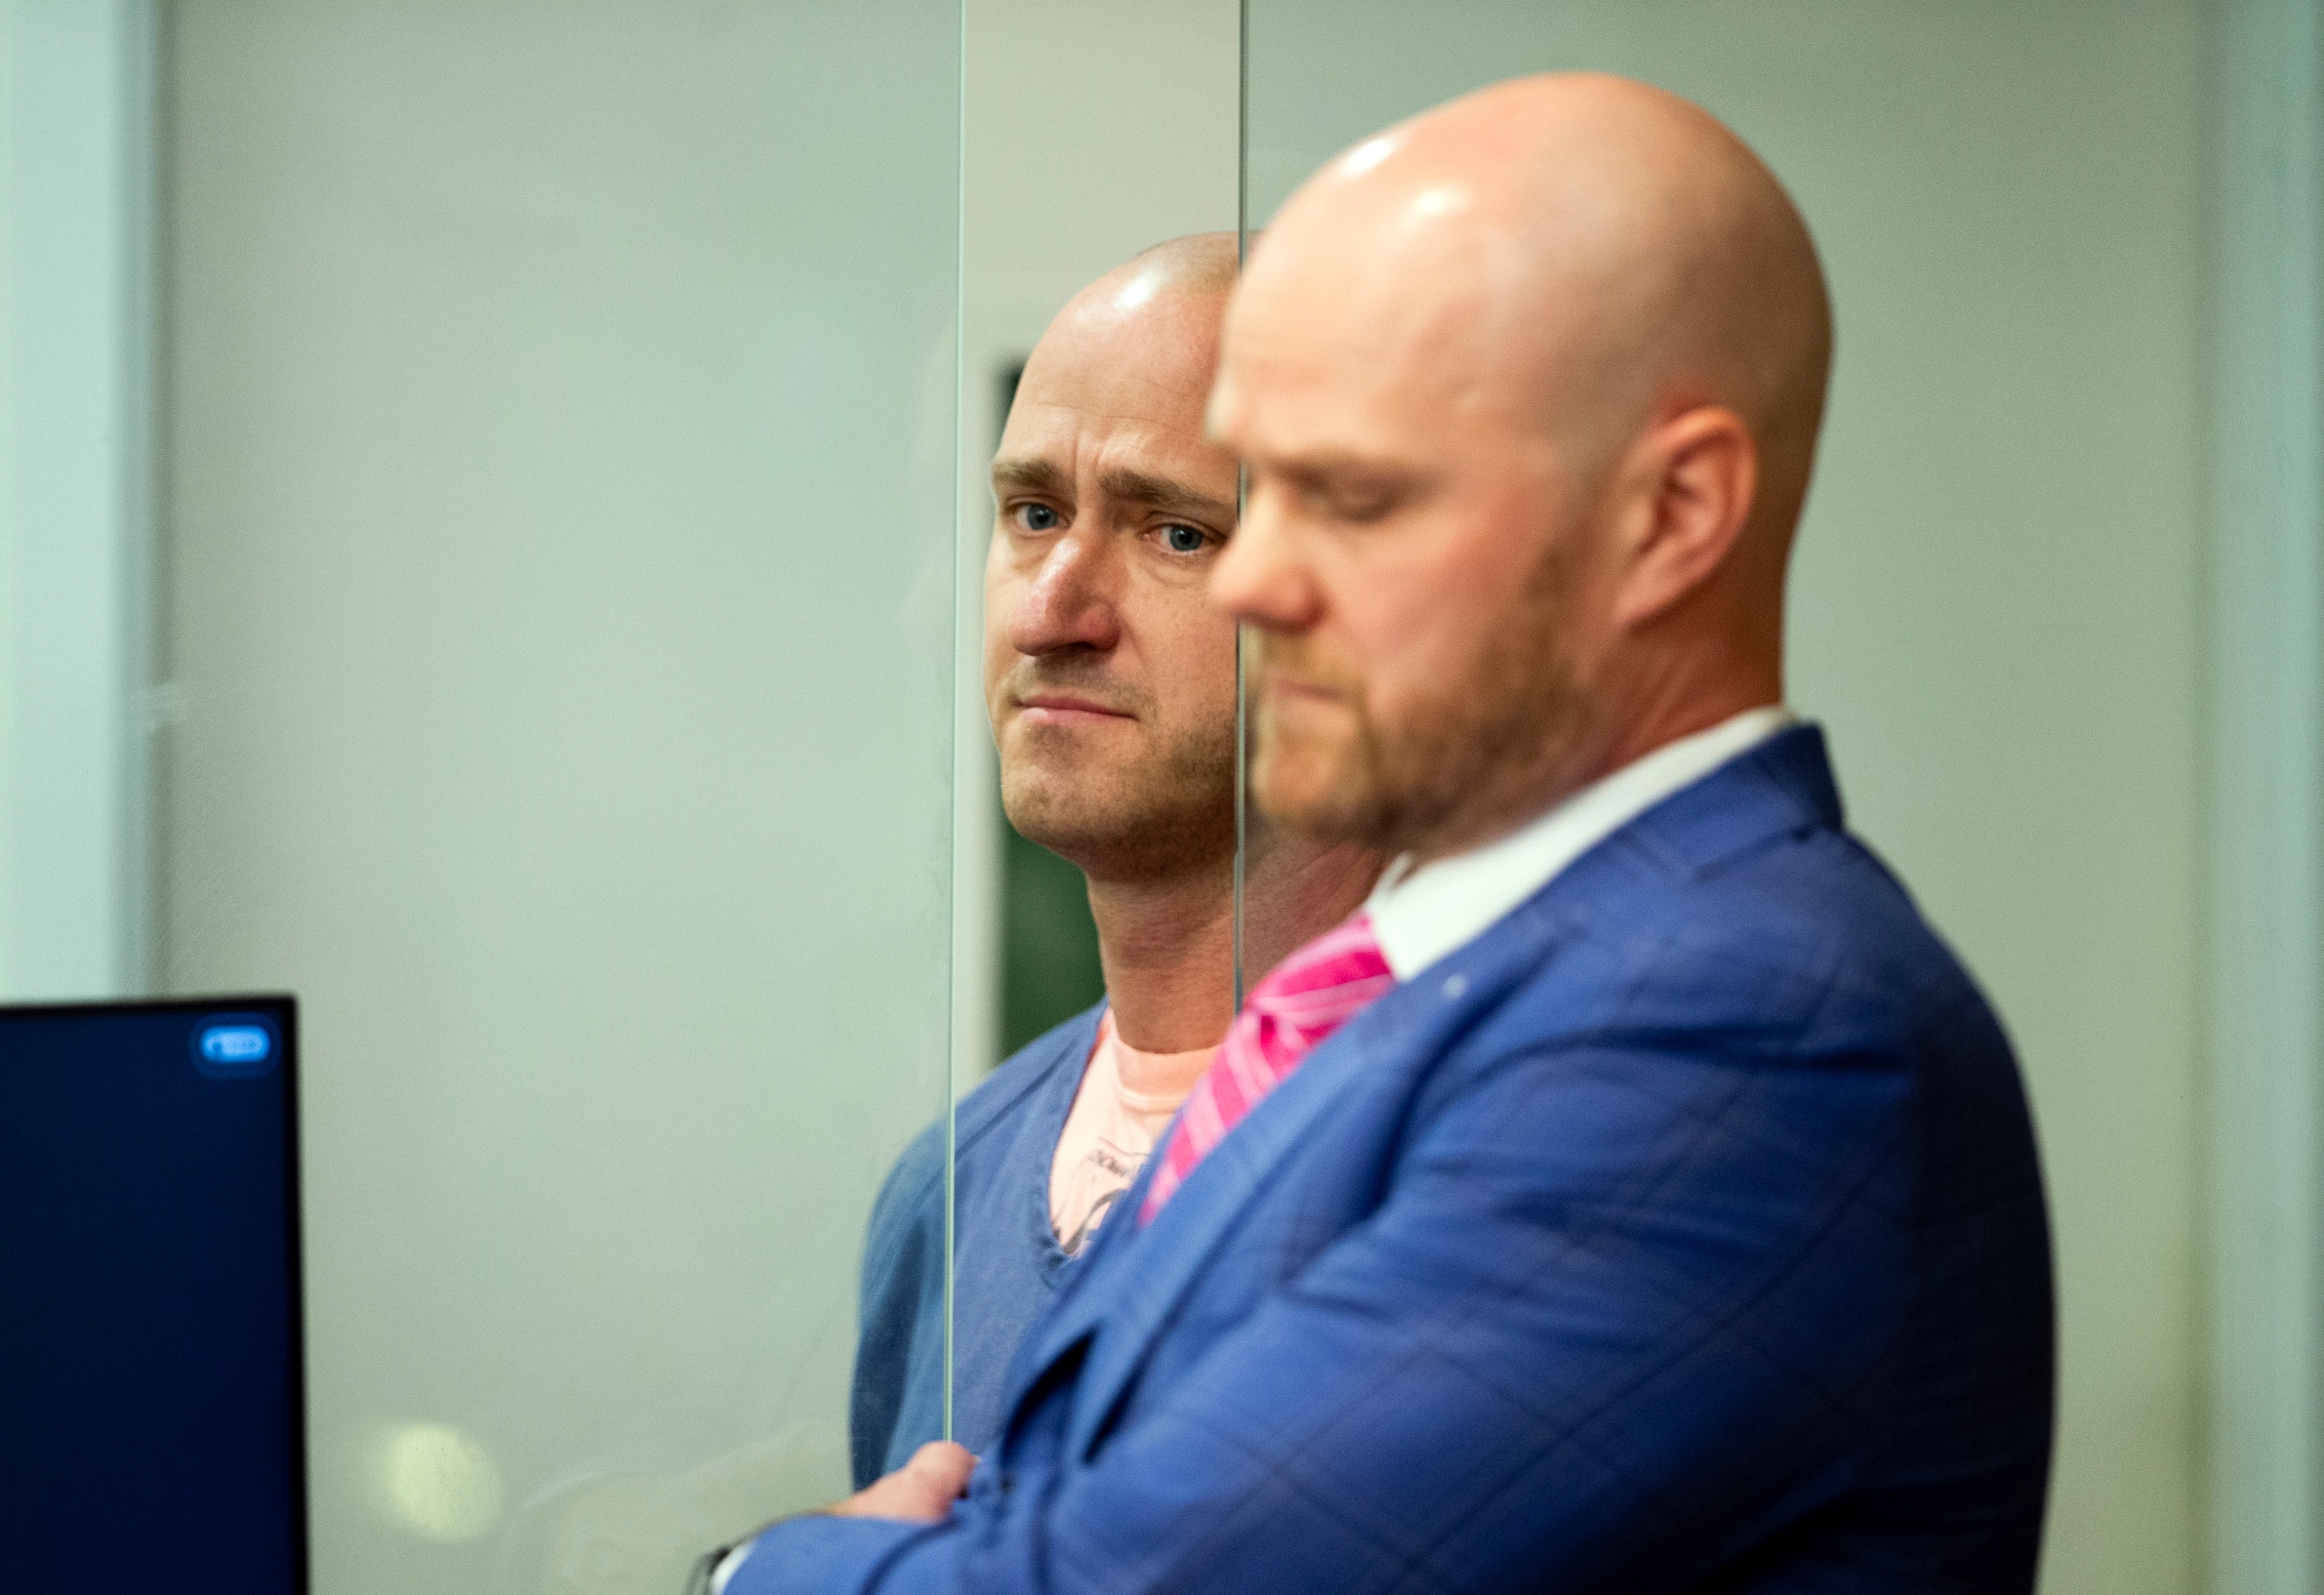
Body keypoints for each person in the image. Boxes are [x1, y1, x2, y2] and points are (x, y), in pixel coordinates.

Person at [714, 72, 2055, 1593]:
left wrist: (757, 1575)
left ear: (1675, 514)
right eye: (1254, 498)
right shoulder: (1023, 1149)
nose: (1260, 587)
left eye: (1347, 495)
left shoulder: (1749, 1024)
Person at [847, 235, 1385, 1486]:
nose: (1052, 610)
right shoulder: (949, 1187)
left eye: (1176, 534)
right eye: (1032, 515)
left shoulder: (1463, 1134)